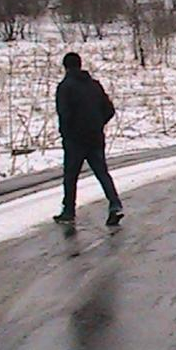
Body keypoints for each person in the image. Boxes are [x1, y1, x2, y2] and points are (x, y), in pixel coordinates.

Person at [53, 52, 124, 226]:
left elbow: (64, 113)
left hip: (75, 139)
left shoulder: (65, 87)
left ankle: (69, 210)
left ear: (65, 67)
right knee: (102, 173)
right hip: (95, 137)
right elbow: (109, 109)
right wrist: (98, 123)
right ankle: (115, 203)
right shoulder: (94, 85)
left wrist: (66, 132)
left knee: (71, 176)